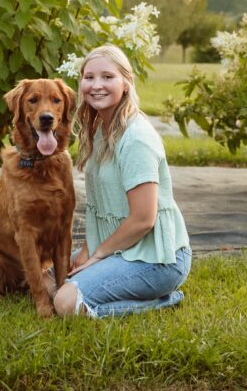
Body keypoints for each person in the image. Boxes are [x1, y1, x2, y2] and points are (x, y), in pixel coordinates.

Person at [50, 44, 191, 318]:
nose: (96, 85)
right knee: (47, 281)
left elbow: (143, 219)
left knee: (66, 303)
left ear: (126, 83)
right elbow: (100, 206)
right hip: (119, 247)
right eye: (89, 77)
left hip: (157, 259)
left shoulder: (136, 139)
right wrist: (88, 249)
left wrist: (97, 256)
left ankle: (163, 300)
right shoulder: (100, 130)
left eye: (107, 77)